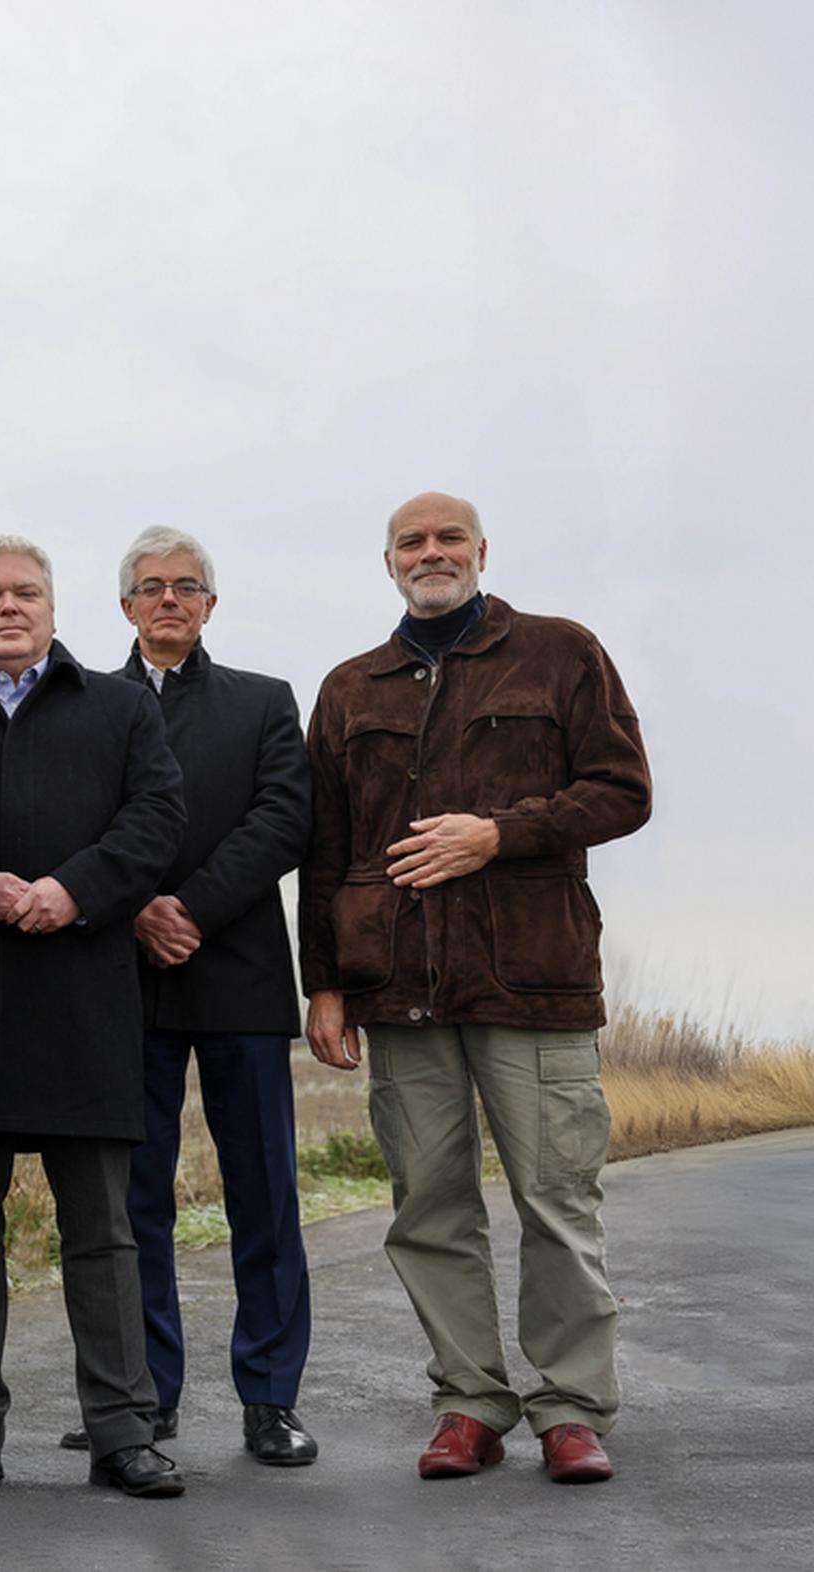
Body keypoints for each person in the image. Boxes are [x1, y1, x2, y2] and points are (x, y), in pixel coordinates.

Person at [301, 491, 650, 1485]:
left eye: (448, 537)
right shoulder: (349, 689)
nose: (431, 552)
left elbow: (624, 791)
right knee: (429, 1205)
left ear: (482, 552)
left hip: (533, 979)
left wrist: (502, 832)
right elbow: (325, 850)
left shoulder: (561, 653)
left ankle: (572, 1407)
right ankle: (469, 1403)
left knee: (556, 1196)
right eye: (411, 541)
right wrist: (323, 986)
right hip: (397, 988)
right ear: (388, 564)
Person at [0, 535, 189, 1500]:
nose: (9, 607)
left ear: (55, 607)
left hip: (84, 1001)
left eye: (26, 592)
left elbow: (157, 820)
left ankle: (123, 1428)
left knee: (104, 1234)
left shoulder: (118, 708)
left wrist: (72, 892)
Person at [53, 525, 319, 1466]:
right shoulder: (81, 704)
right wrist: (131, 911)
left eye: (188, 586)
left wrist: (191, 909)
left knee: (264, 1197)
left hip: (238, 976)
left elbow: (283, 820)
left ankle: (271, 1398)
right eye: (152, 587)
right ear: (125, 606)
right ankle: (144, 1400)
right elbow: (72, 827)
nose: (170, 599)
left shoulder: (263, 703)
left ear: (211, 604)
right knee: (134, 1206)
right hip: (122, 984)